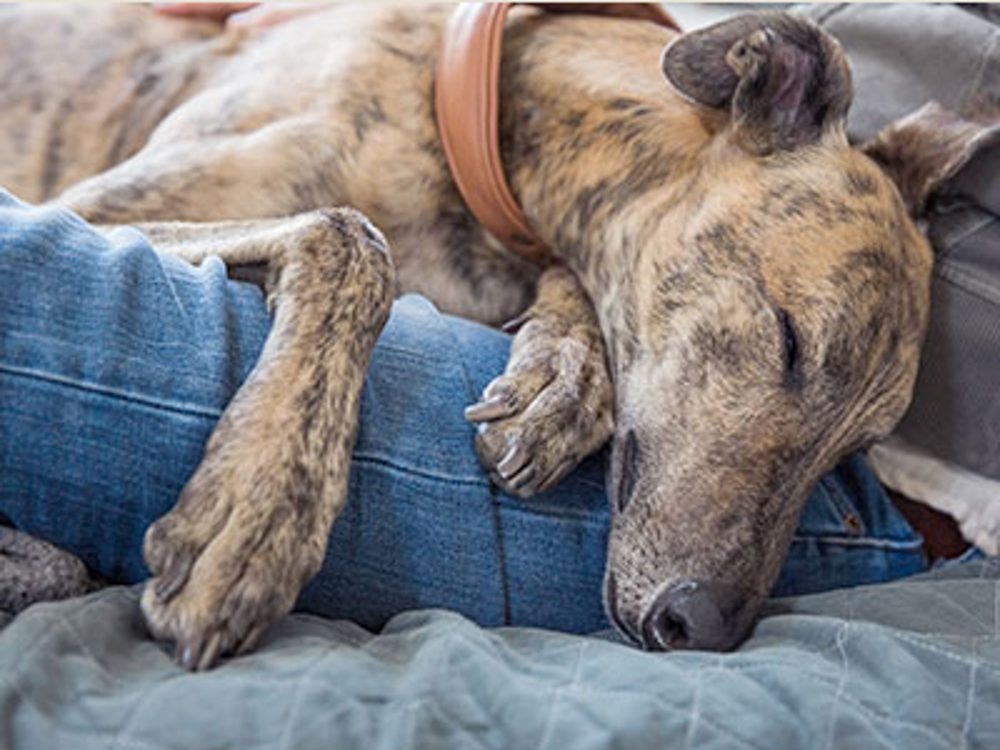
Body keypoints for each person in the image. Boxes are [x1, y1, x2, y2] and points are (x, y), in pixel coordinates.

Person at [0, 2, 992, 634]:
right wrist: (335, 274)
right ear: (757, 81)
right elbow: (45, 268)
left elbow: (620, 245)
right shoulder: (368, 87)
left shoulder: (629, 249)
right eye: (781, 345)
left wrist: (572, 314)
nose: (733, 582)